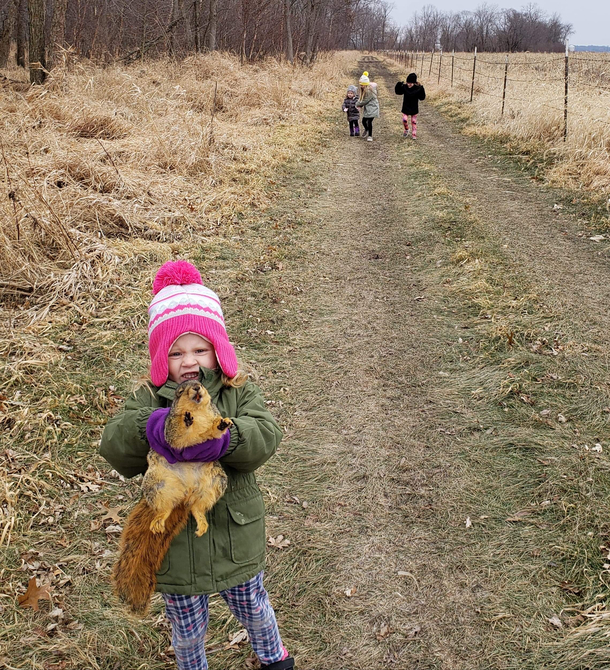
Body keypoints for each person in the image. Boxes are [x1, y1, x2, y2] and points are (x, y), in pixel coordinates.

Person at [99, 260, 293, 670]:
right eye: (176, 352)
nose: (189, 361)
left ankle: (275, 660)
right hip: (176, 548)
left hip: (233, 540)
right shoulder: (148, 399)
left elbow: (265, 435)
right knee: (186, 632)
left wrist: (228, 438)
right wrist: (148, 428)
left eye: (199, 349)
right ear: (160, 358)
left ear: (217, 350)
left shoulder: (238, 393)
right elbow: (114, 445)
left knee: (255, 609)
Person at [394, 73, 426, 140]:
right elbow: (398, 92)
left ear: (414, 83)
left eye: (411, 83)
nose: (409, 84)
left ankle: (414, 134)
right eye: (408, 83)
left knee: (413, 122)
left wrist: (422, 90)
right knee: (404, 120)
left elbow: (422, 98)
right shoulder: (405, 87)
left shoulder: (418, 89)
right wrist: (398, 85)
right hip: (406, 107)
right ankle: (406, 129)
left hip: (414, 108)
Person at [355, 71, 380, 142]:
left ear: (366, 85)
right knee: (363, 121)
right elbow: (362, 99)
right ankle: (367, 129)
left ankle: (370, 135)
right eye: (360, 85)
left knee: (369, 122)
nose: (361, 86)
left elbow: (365, 101)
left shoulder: (369, 91)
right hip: (368, 108)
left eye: (362, 85)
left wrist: (357, 104)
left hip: (373, 108)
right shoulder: (364, 90)